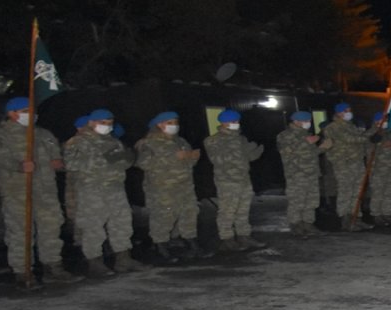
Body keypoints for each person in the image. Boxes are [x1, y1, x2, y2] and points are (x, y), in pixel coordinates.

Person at [0, 97, 83, 288]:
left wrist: (57, 162)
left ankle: (53, 267)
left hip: (45, 189)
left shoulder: (42, 133)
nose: (31, 115)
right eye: (26, 110)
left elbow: (56, 155)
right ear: (12, 113)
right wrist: (18, 165)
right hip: (18, 190)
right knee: (21, 231)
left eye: (32, 110)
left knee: (51, 227)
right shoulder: (0, 134)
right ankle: (23, 271)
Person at [64, 107, 150, 276]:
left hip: (115, 188)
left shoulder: (114, 141)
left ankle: (123, 259)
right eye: (103, 123)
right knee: (93, 226)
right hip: (92, 190)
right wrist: (103, 160)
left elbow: (124, 162)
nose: (107, 126)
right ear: (92, 123)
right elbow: (71, 164)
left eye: (110, 123)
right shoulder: (78, 142)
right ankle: (95, 262)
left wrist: (126, 158)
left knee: (122, 223)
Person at [135, 111, 203, 261]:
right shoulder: (149, 143)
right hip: (162, 188)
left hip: (185, 187)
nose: (174, 126)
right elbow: (143, 163)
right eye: (170, 123)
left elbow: (187, 163)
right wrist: (173, 158)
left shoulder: (181, 141)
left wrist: (192, 158)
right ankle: (161, 247)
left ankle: (192, 245)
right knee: (163, 217)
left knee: (189, 214)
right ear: (159, 125)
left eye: (176, 123)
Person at [203, 109, 265, 251]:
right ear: (223, 123)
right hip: (227, 181)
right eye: (232, 122)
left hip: (244, 179)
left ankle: (244, 237)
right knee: (228, 210)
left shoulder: (240, 139)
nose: (236, 124)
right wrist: (237, 150)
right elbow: (217, 160)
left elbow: (248, 158)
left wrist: (256, 151)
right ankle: (227, 239)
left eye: (237, 121)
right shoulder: (213, 140)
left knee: (243, 210)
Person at [276, 110, 329, 237]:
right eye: (305, 121)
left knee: (311, 201)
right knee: (297, 201)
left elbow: (310, 154)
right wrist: (306, 142)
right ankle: (296, 225)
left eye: (308, 121)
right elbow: (286, 151)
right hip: (296, 174)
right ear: (296, 122)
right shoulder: (285, 135)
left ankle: (308, 224)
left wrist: (323, 148)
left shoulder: (306, 134)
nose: (308, 123)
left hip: (311, 173)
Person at [320, 102, 371, 231]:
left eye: (349, 110)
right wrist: (371, 133)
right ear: (338, 113)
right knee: (346, 191)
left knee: (357, 192)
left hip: (356, 162)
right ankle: (346, 219)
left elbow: (359, 139)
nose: (349, 113)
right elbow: (351, 139)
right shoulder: (334, 127)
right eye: (345, 111)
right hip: (343, 163)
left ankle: (356, 218)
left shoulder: (351, 126)